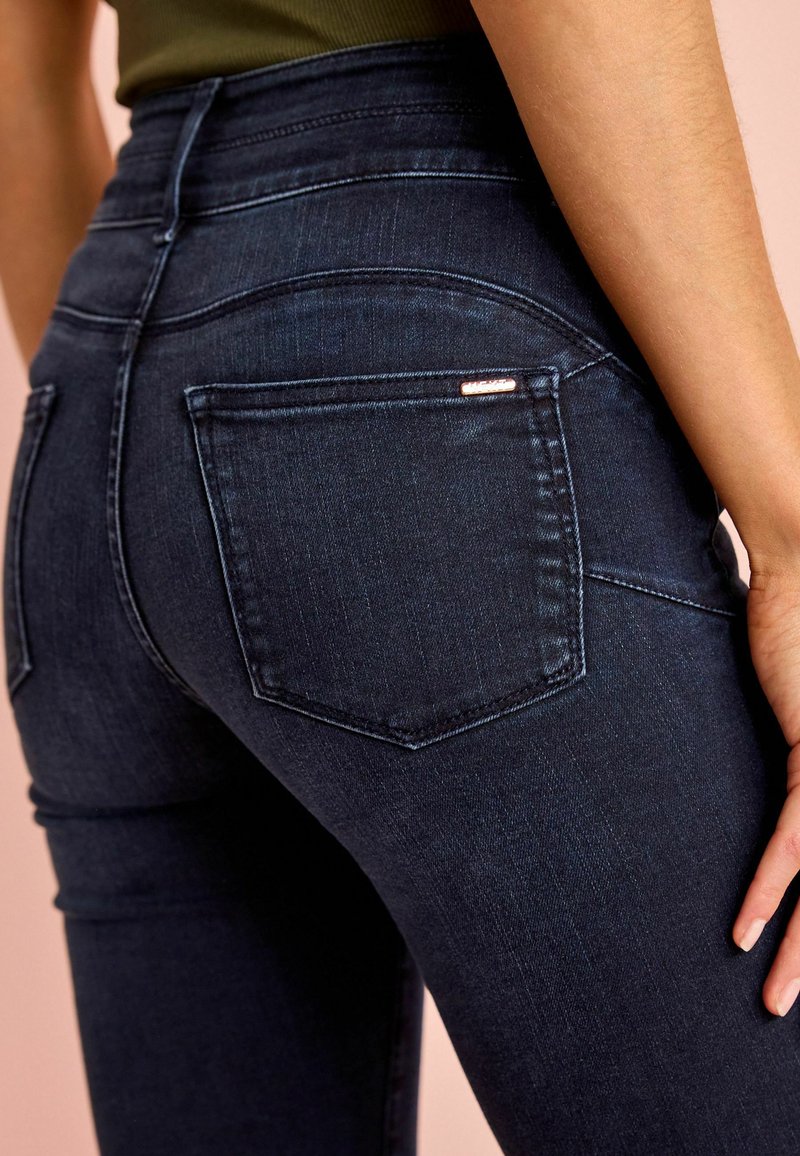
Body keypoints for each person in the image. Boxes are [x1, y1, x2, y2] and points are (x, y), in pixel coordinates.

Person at [1, 1, 799, 1153]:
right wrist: (791, 533)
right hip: (422, 321)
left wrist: (169, 467)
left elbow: (14, 76)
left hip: (94, 404)